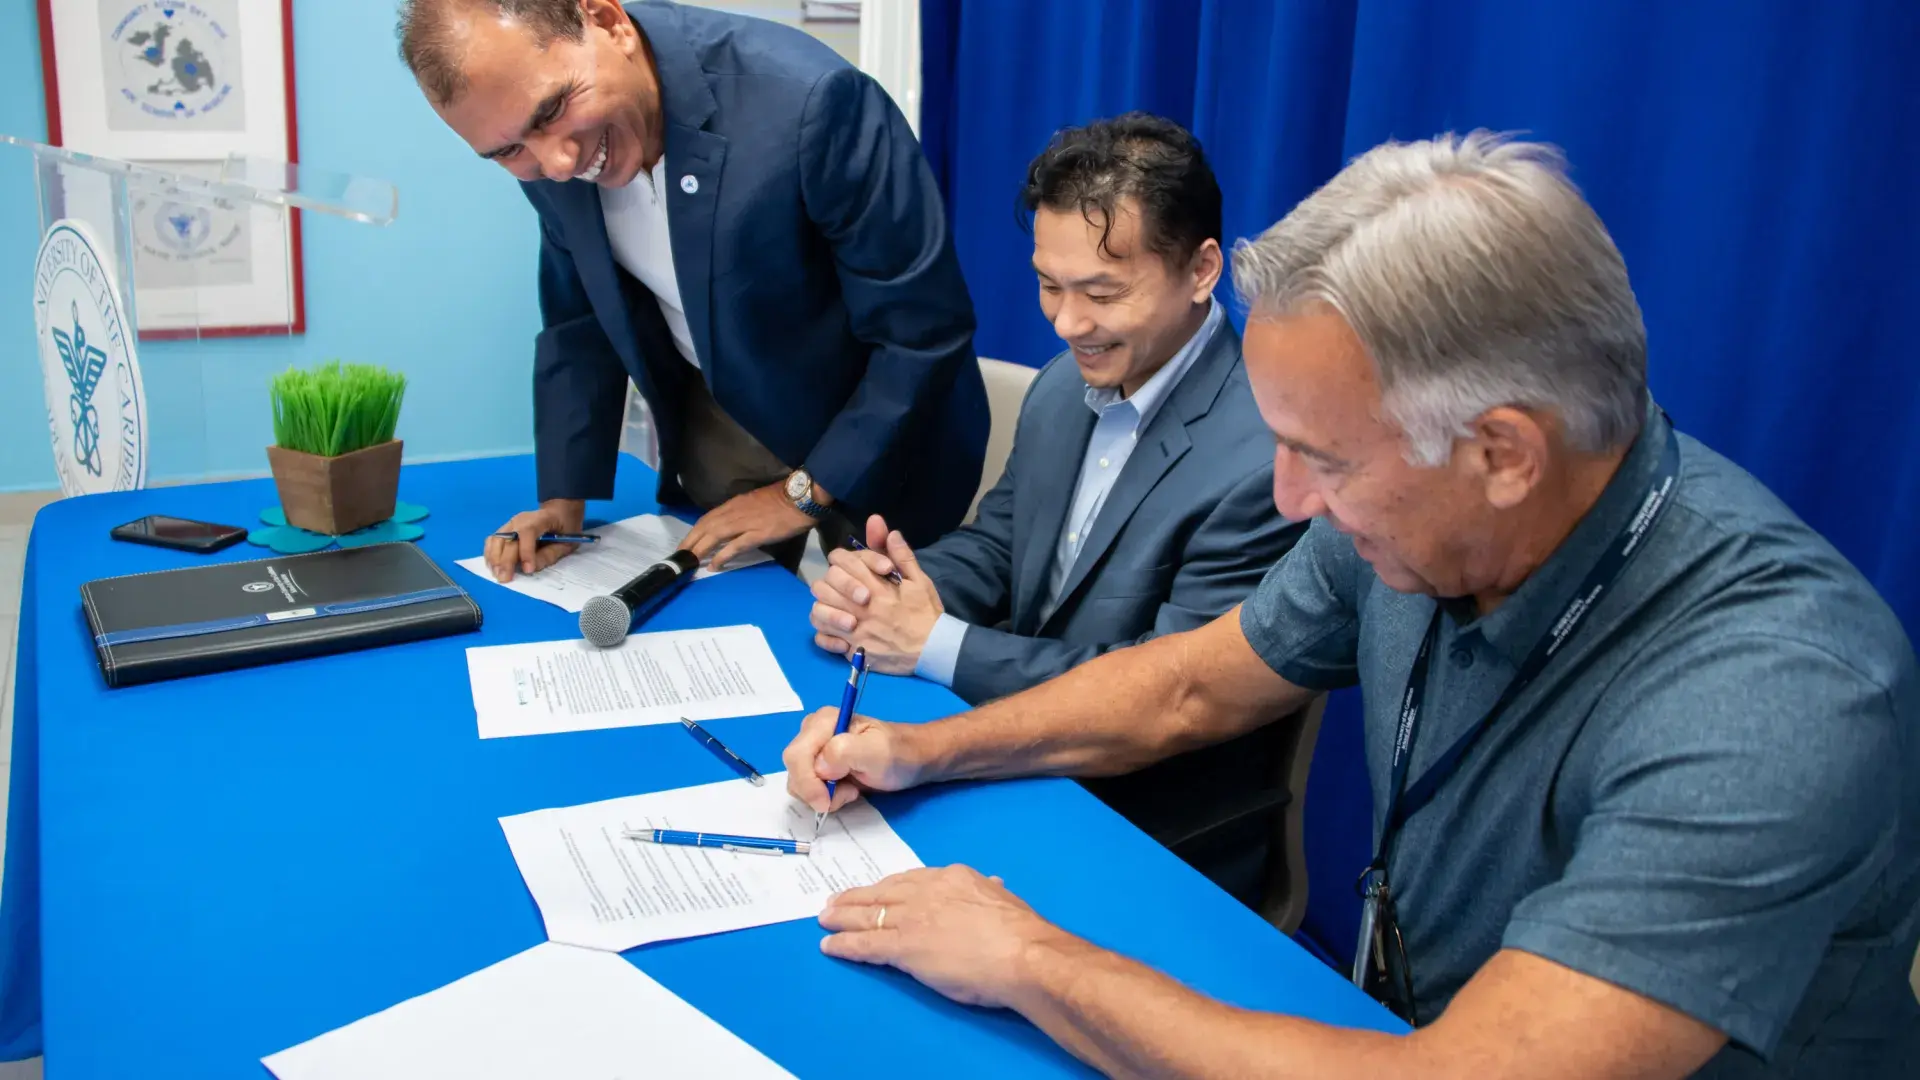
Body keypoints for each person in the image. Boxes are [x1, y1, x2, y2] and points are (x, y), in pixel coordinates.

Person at [780, 132, 1920, 1078]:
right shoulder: (1410, 522)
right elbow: (1186, 686)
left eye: (1321, 458)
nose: (1289, 499)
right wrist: (926, 751)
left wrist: (1029, 961)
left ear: (1503, 453)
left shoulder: (1780, 695)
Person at [807, 115, 1304, 900]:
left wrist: (933, 643)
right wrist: (887, 595)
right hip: (1015, 762)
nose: (1067, 323)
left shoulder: (1270, 458)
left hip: (1144, 826)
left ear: (1203, 269)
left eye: (1103, 292)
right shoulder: (1060, 389)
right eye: (1048, 284)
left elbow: (1163, 692)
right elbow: (1002, 545)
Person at [396, 0, 987, 577]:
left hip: (885, 435)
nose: (556, 163)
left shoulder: (811, 100)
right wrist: (563, 501)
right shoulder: (544, 142)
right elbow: (581, 319)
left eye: (552, 111)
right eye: (507, 151)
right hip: (727, 418)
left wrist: (797, 495)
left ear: (606, 21)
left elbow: (920, 332)